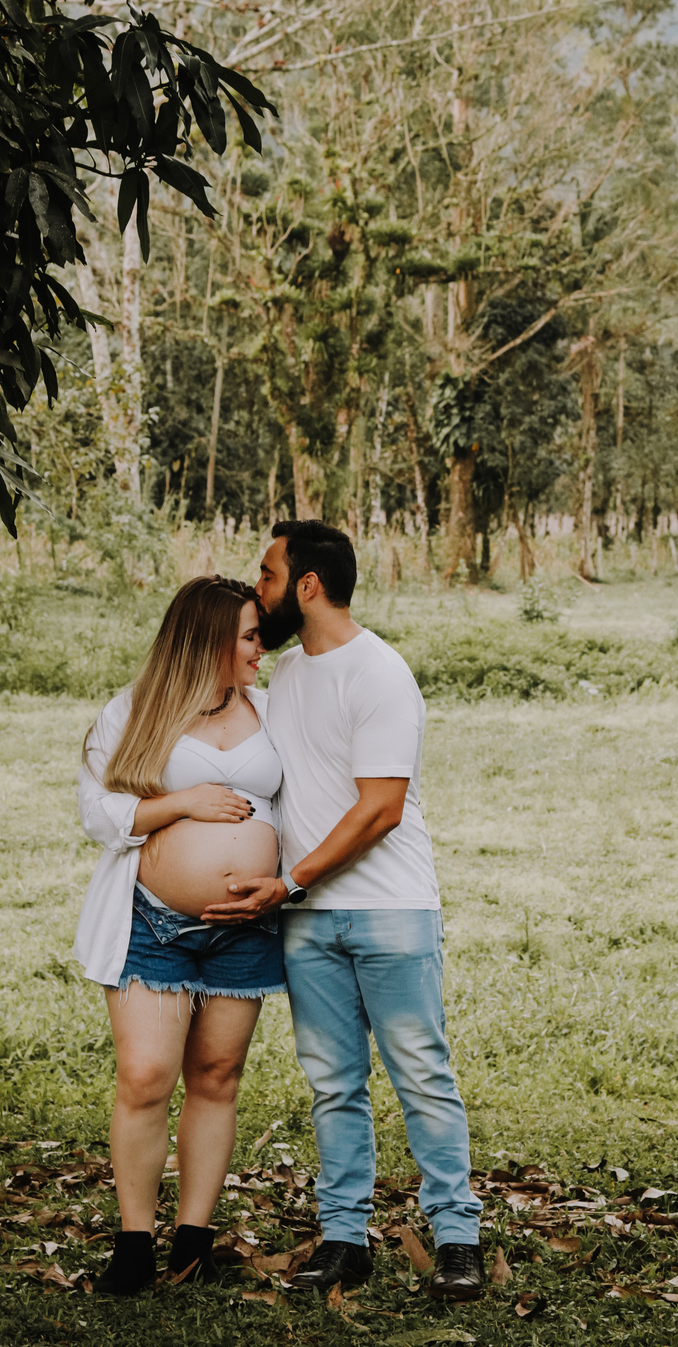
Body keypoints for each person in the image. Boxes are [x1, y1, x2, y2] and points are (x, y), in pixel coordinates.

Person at [201, 520, 485, 1302]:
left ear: (308, 585)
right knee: (334, 1084)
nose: (257, 588)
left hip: (389, 909)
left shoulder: (380, 672)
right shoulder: (286, 675)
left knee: (421, 1073)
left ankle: (457, 1238)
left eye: (267, 575)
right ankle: (344, 1239)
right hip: (307, 920)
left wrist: (290, 881)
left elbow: (380, 809)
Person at [74, 575, 285, 1298]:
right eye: (251, 636)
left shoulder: (272, 709)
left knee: (217, 1077)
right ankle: (135, 1243)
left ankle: (192, 1243)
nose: (261, 648)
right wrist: (182, 803)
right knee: (144, 1077)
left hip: (246, 928)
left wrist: (280, 882)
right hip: (153, 923)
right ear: (209, 640)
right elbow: (98, 813)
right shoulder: (134, 710)